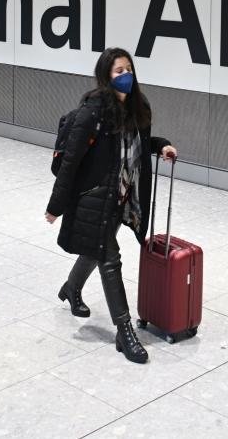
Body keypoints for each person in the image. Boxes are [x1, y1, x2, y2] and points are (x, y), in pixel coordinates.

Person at [45, 47, 178, 364]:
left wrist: (161, 145)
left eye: (128, 69)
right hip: (94, 196)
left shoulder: (138, 106)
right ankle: (124, 330)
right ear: (106, 76)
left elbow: (137, 144)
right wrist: (56, 205)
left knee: (95, 249)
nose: (125, 75)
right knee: (110, 257)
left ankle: (71, 288)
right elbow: (71, 161)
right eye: (118, 71)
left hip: (122, 194)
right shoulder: (93, 112)